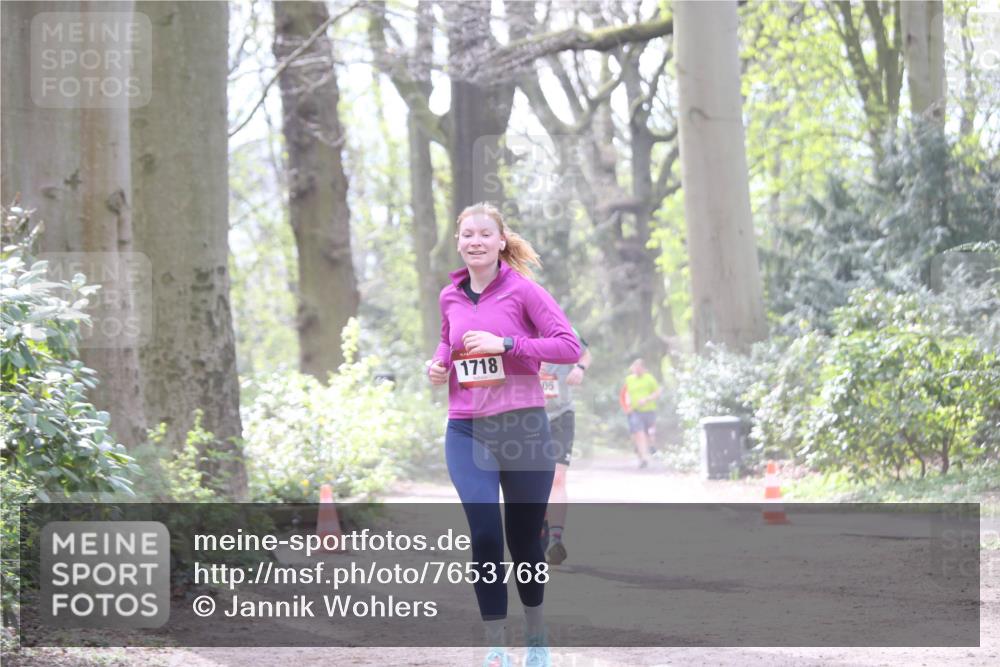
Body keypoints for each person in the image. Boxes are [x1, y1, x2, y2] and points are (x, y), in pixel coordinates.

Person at [427, 202, 581, 667]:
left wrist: (508, 344)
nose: (474, 241)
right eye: (467, 234)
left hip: (523, 429)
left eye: (483, 234)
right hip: (467, 429)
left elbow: (569, 346)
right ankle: (495, 644)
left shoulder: (524, 291)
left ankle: (535, 632)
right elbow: (446, 340)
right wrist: (436, 365)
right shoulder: (449, 296)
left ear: (499, 241)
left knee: (523, 540)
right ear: (459, 242)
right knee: (486, 534)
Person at [539, 328, 591, 566]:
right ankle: (540, 532)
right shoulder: (511, 327)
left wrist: (579, 368)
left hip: (561, 414)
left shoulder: (561, 328)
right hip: (525, 416)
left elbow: (585, 354)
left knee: (557, 478)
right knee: (530, 480)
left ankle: (555, 539)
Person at [622, 358, 662, 469]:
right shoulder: (629, 379)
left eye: (639, 369)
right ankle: (644, 458)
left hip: (649, 410)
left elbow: (658, 392)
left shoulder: (649, 378)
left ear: (644, 369)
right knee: (639, 434)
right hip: (635, 411)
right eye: (635, 368)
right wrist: (627, 405)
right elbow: (625, 394)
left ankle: (650, 449)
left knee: (649, 434)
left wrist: (647, 399)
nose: (637, 370)